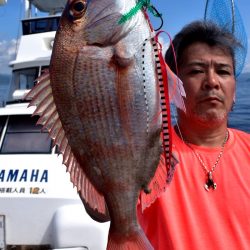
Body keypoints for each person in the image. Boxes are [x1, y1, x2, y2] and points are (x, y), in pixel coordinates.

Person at [137, 20, 250, 250]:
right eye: (197, 71)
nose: (212, 82)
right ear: (170, 84)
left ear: (235, 89)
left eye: (223, 71)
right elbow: (100, 210)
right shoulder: (143, 151)